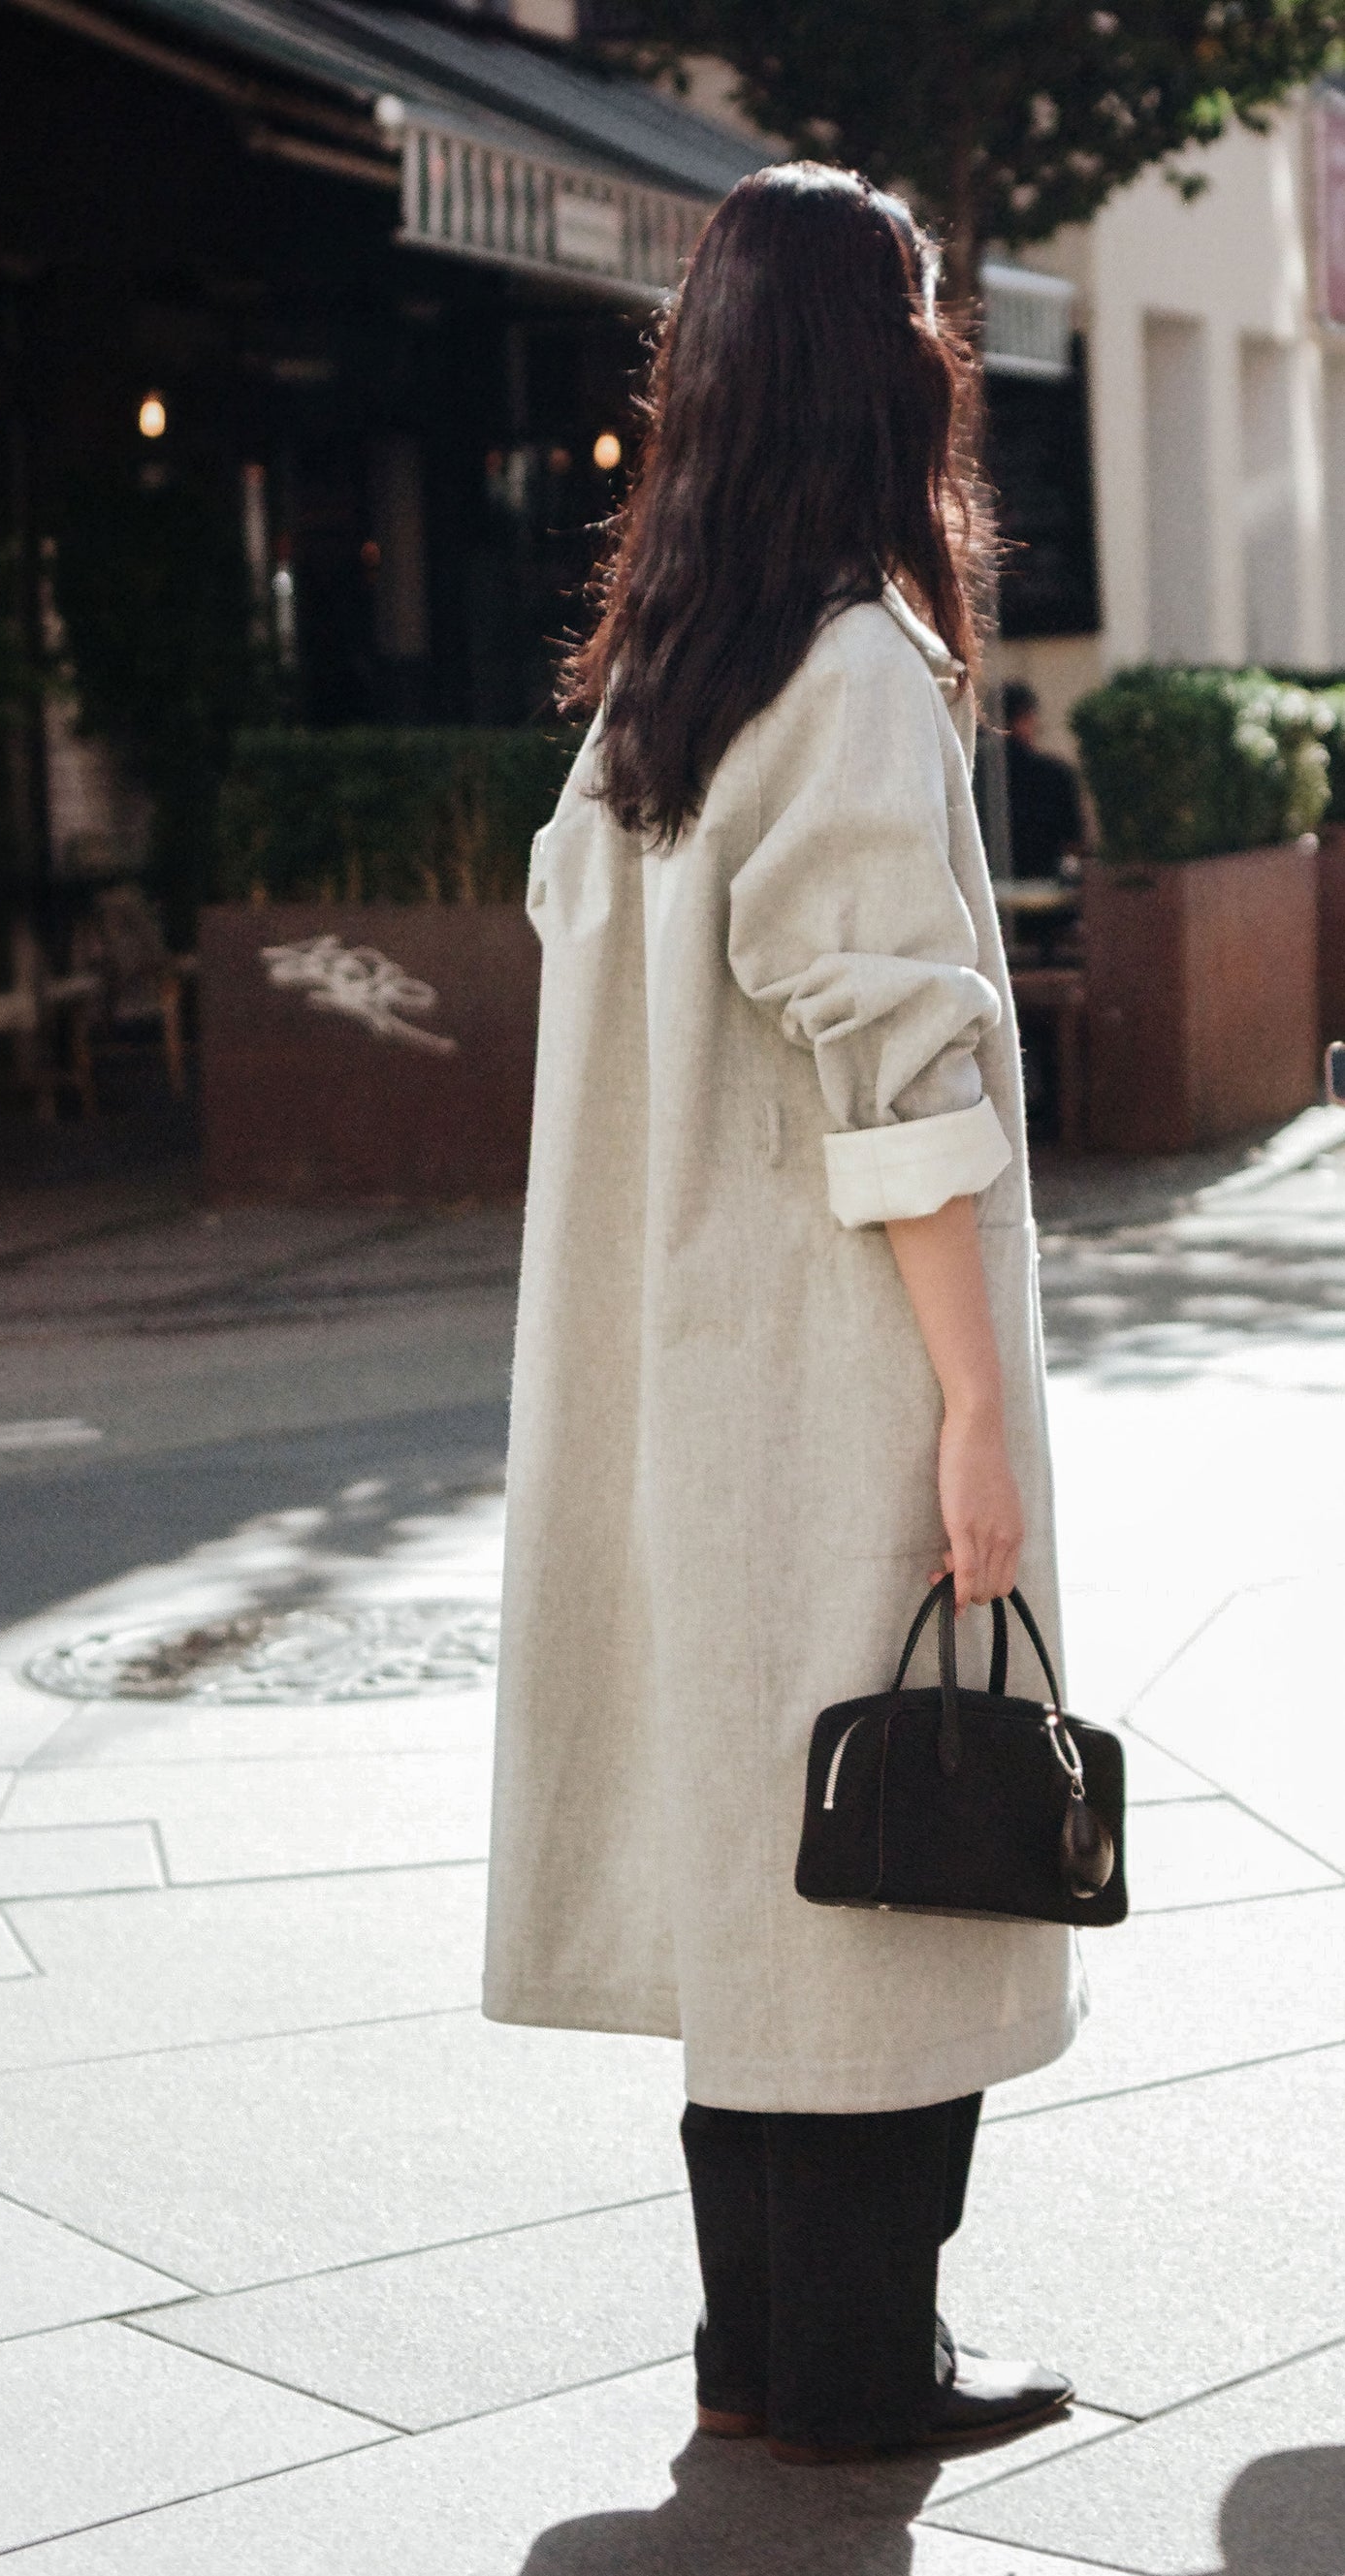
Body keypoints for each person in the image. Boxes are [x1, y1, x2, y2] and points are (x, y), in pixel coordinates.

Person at [484, 163, 1080, 2467]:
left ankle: (754, 2345)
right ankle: (854, 2365)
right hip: (825, 1376)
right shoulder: (850, 676)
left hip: (674, 1381)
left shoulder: (657, 688)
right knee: (889, 1848)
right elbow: (899, 1070)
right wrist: (972, 1407)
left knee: (760, 1854)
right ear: (884, 372)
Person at [1001, 679, 1087, 878]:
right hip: (1046, 882)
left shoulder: (980, 779)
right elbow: (1074, 841)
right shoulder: (1056, 774)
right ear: (1027, 718)